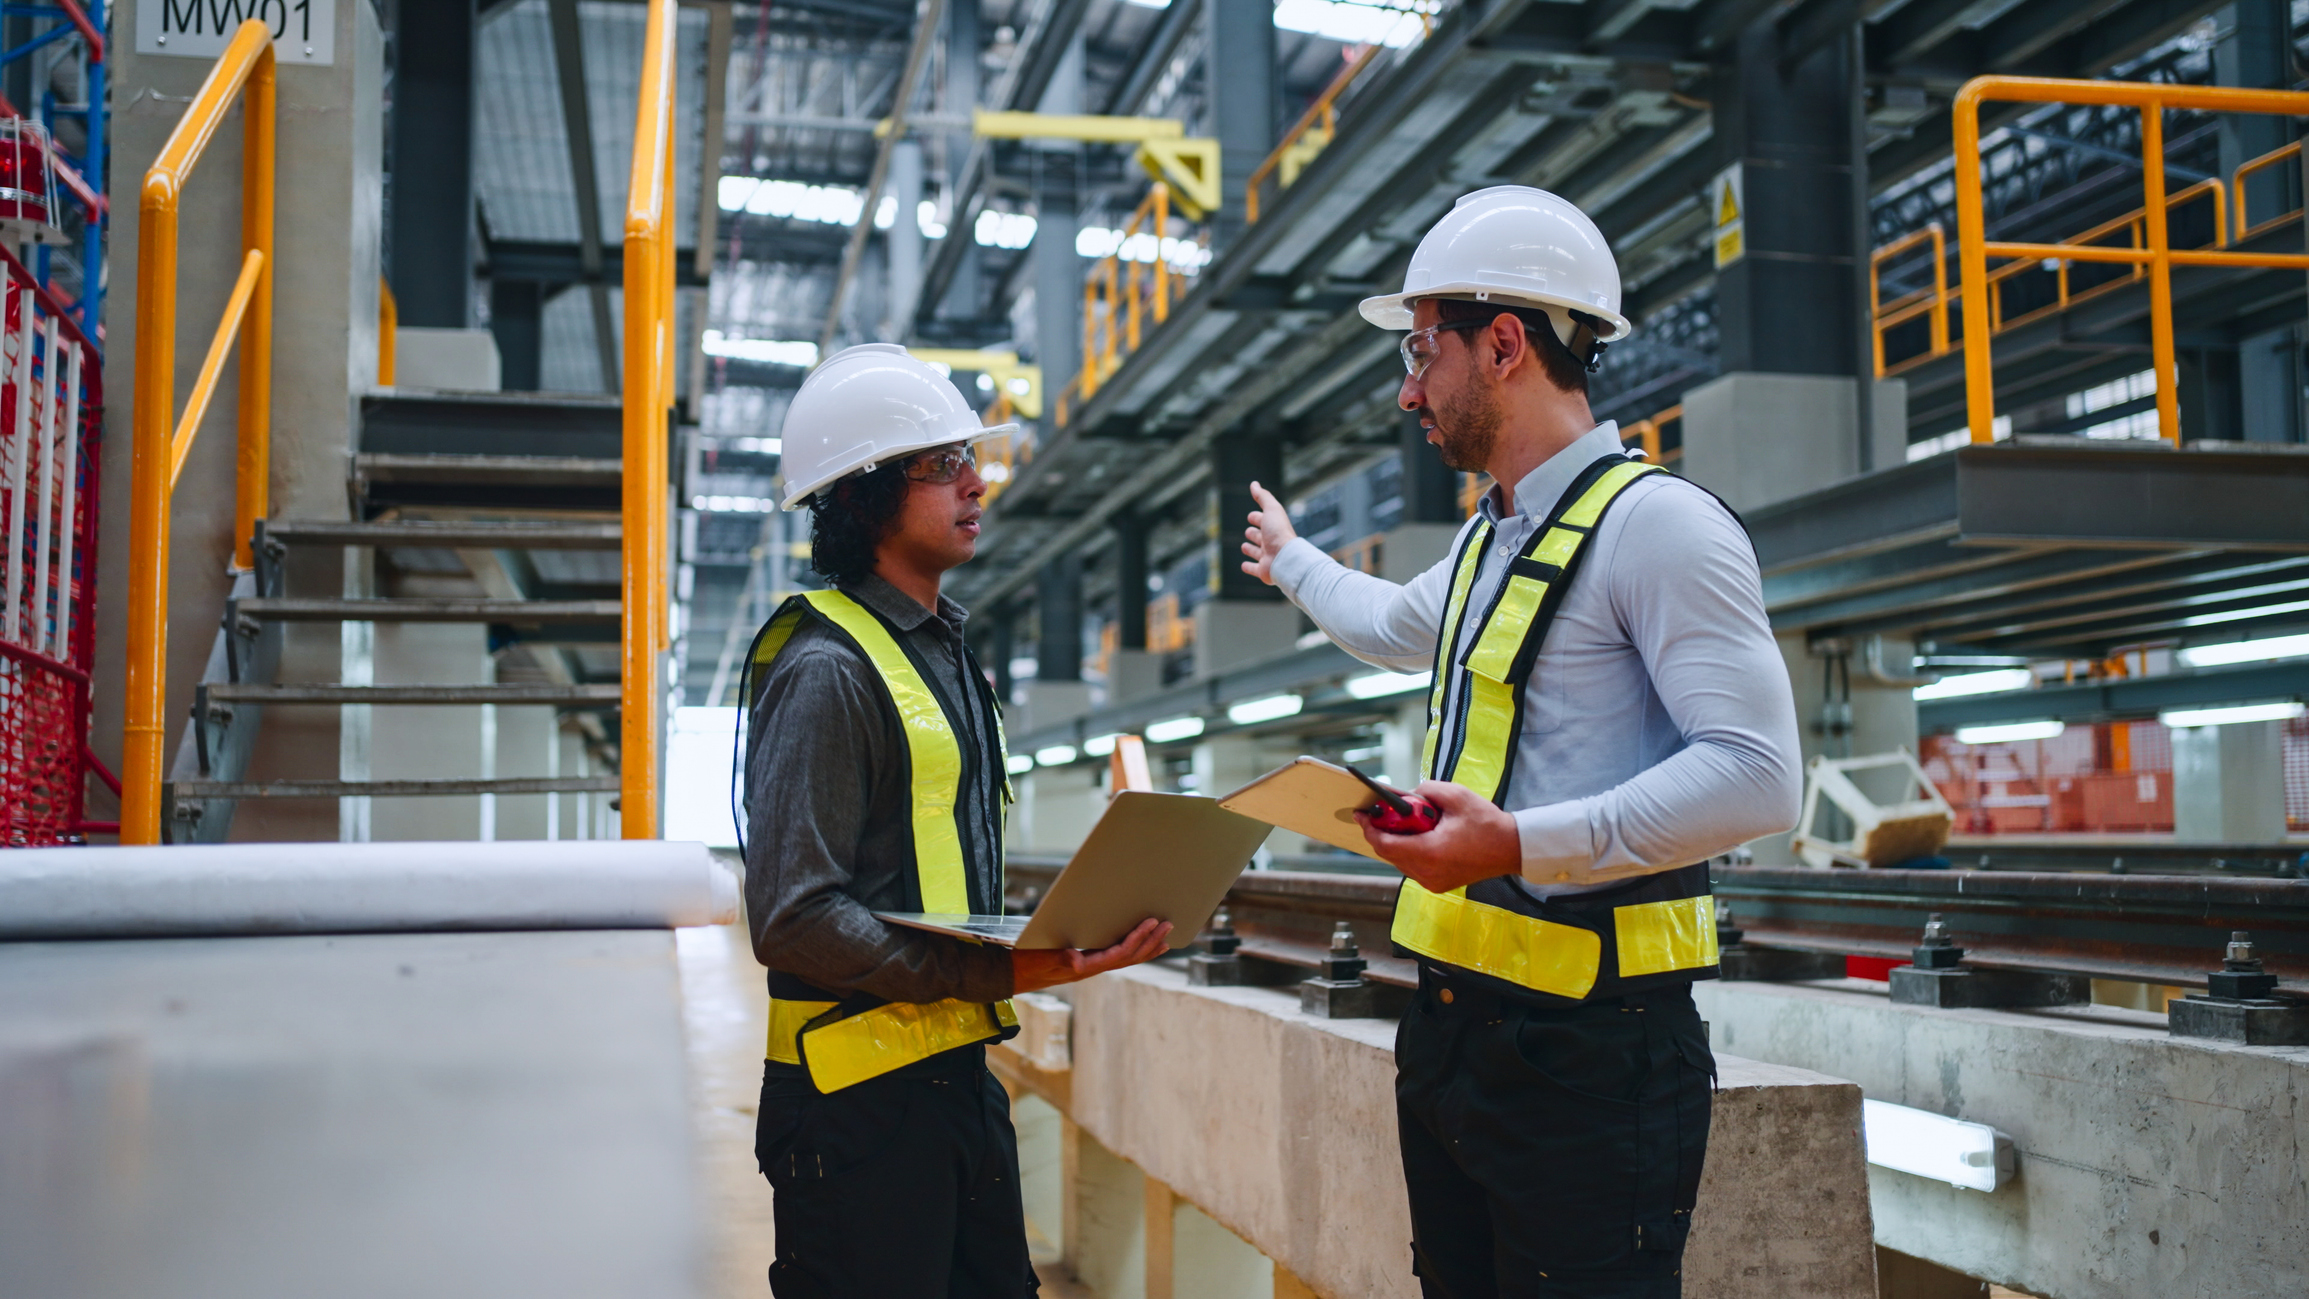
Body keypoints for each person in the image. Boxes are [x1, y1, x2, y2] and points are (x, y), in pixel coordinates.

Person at [1237, 188, 1802, 1298]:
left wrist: (1514, 844)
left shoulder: (1658, 527)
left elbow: (1758, 774)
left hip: (1592, 1058)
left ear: (1502, 345)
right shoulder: (1489, 541)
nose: (1407, 388)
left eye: (1421, 350)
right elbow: (1390, 625)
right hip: (1452, 1034)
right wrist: (1292, 560)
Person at [740, 343, 1173, 1298]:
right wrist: (998, 968)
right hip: (854, 1107)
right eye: (941, 465)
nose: (975, 482)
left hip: (955, 1080)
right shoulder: (827, 672)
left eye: (969, 458)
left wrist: (1048, 934)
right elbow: (793, 916)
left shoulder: (942, 657)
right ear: (863, 496)